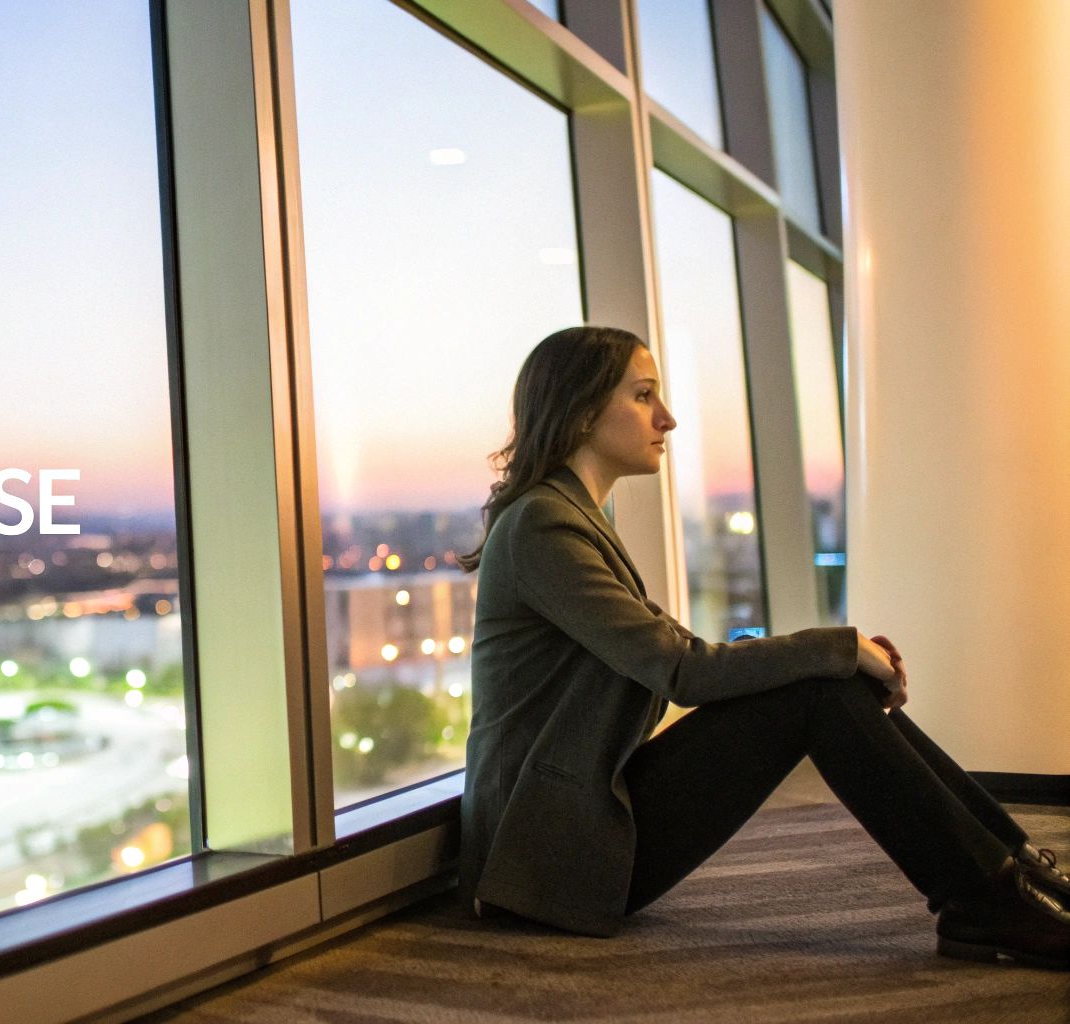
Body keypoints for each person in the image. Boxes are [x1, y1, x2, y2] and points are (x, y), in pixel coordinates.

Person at [456, 325, 1070, 968]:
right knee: (817, 691)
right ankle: (992, 897)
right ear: (582, 412)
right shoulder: (543, 526)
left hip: (584, 809)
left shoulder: (568, 517)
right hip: (546, 848)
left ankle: (1014, 875)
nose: (667, 417)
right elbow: (681, 671)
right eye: (643, 397)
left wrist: (843, 655)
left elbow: (680, 652)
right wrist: (841, 648)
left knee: (825, 681)